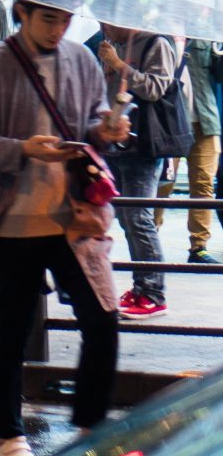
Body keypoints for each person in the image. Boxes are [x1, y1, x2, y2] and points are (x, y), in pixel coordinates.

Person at [0, 0, 126, 456]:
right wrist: (21, 150)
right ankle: (8, 436)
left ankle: (90, 428)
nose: (59, 30)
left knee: (103, 319)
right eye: (49, 19)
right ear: (22, 12)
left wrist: (107, 127)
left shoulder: (82, 59)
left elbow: (93, 118)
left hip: (73, 221)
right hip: (8, 224)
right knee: (9, 332)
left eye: (67, 20)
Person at [95, 22, 183, 318]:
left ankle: (153, 293)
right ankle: (141, 285)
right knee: (125, 216)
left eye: (108, 23)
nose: (104, 29)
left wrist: (119, 66)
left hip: (145, 143)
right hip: (119, 142)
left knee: (139, 216)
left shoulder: (156, 42)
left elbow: (157, 89)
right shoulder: (114, 45)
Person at [183, 38, 221, 265]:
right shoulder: (159, 36)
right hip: (170, 123)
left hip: (205, 121)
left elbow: (219, 76)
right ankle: (151, 236)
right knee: (162, 184)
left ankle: (199, 246)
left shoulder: (206, 36)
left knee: (204, 183)